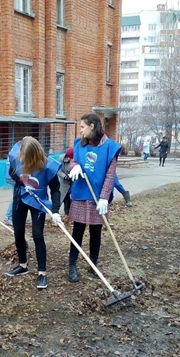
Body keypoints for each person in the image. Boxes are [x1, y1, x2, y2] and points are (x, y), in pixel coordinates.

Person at [67, 113, 121, 283]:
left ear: (92, 126)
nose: (80, 130)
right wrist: (74, 166)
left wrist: (104, 197)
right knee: (78, 231)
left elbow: (110, 175)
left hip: (98, 196)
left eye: (83, 126)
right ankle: (72, 265)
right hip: (81, 194)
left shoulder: (110, 147)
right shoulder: (79, 145)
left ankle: (93, 264)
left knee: (96, 231)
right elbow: (73, 161)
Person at [5, 136, 61, 289]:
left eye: (26, 158)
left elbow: (56, 189)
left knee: (37, 235)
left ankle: (42, 273)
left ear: (34, 156)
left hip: (38, 201)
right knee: (18, 232)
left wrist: (55, 211)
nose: (22, 160)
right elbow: (12, 172)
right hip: (20, 198)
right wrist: (19, 180)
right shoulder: (17, 156)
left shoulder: (47, 166)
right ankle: (23, 265)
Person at [57, 147, 74, 220]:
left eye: (72, 158)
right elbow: (58, 171)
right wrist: (65, 176)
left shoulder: (76, 160)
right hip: (64, 182)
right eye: (69, 158)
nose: (70, 159)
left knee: (71, 200)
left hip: (73, 182)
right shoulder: (61, 159)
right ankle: (55, 214)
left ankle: (68, 215)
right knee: (62, 198)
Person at [2, 155, 14, 226]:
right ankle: (8, 217)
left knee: (17, 196)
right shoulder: (18, 152)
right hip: (13, 177)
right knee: (16, 197)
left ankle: (10, 216)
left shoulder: (13, 151)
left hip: (9, 176)